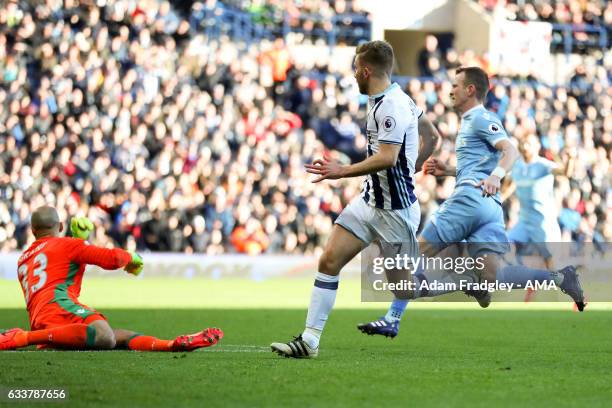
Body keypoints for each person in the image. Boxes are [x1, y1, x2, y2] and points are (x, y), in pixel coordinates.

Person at [358, 67, 585, 338]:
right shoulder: (470, 123)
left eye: (455, 85)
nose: (450, 90)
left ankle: (393, 317)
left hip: (468, 202)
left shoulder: (480, 118)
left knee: (413, 256)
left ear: (470, 90)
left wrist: (496, 177)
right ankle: (560, 278)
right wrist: (451, 170)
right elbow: (483, 163)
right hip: (488, 208)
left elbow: (509, 151)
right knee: (492, 281)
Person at [270, 40, 440, 358]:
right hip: (369, 201)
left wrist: (343, 170)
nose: (353, 77)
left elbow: (388, 158)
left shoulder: (390, 106)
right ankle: (309, 341)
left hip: (396, 212)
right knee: (329, 260)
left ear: (365, 70)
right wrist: (415, 165)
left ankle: (462, 278)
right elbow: (432, 135)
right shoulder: (394, 98)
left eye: (354, 71)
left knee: (404, 288)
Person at [0, 206, 223, 351]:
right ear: (60, 226)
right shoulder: (67, 245)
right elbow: (112, 258)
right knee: (105, 336)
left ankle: (172, 344)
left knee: (117, 337)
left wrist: (79, 241)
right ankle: (23, 338)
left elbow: (60, 272)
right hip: (59, 306)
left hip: (42, 316)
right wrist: (133, 257)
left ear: (32, 230)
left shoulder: (23, 259)